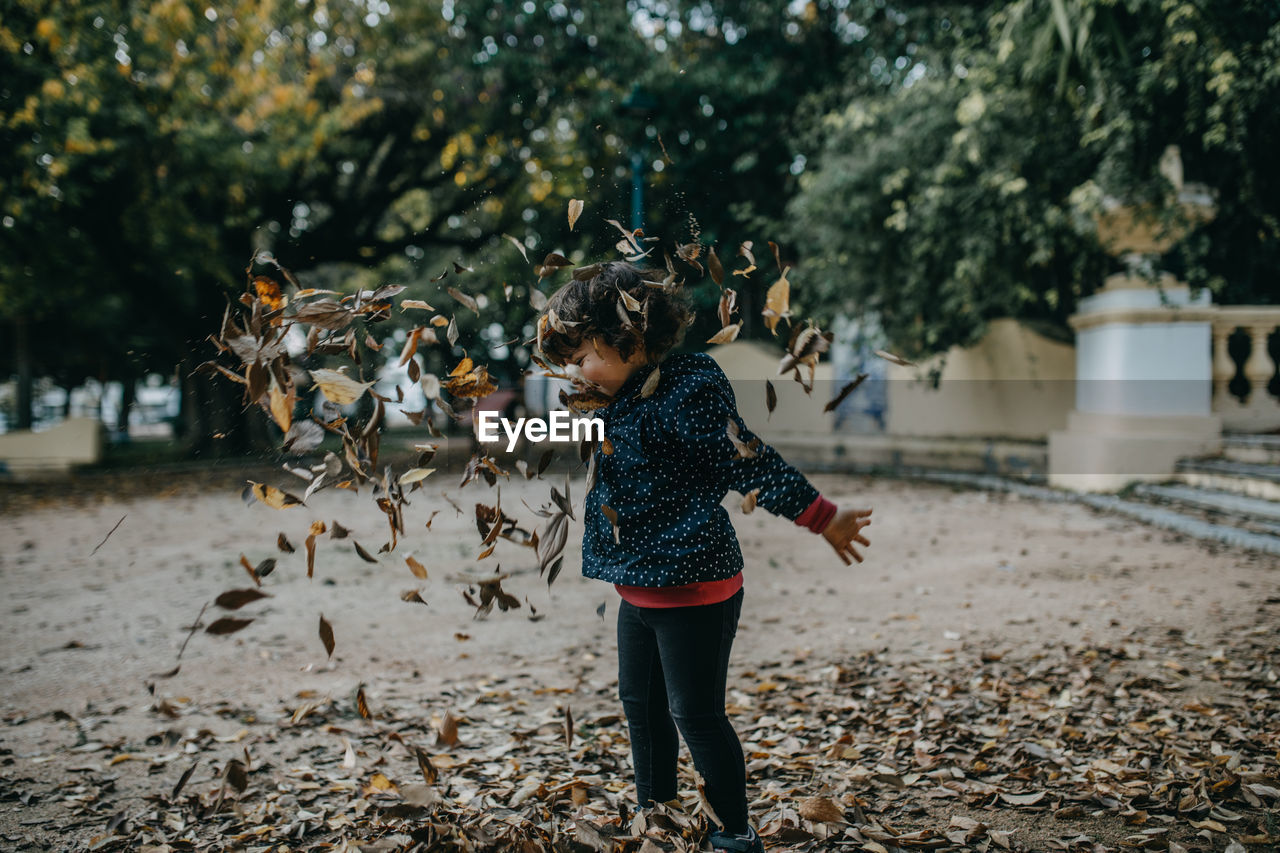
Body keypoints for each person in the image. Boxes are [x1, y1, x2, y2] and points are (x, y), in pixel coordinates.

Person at [537, 261, 873, 852]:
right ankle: (657, 810)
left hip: (694, 588)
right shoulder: (615, 396)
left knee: (694, 713)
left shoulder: (688, 391)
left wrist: (821, 515)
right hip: (638, 590)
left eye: (581, 354)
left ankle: (734, 832)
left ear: (630, 341)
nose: (572, 369)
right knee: (640, 706)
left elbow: (747, 460)